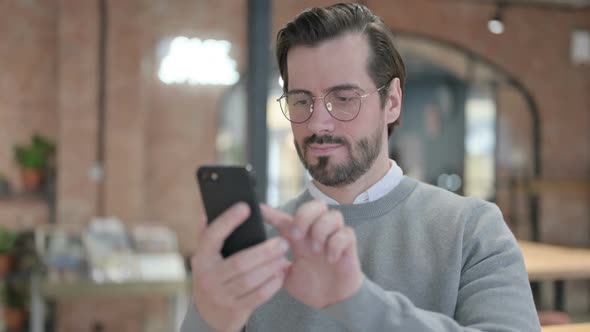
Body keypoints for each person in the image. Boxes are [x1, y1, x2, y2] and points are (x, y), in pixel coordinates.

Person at [181, 3, 541, 332]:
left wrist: (356, 302)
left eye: (344, 98)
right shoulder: (262, 246)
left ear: (393, 102)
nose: (319, 123)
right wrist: (208, 318)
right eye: (301, 100)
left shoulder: (472, 230)